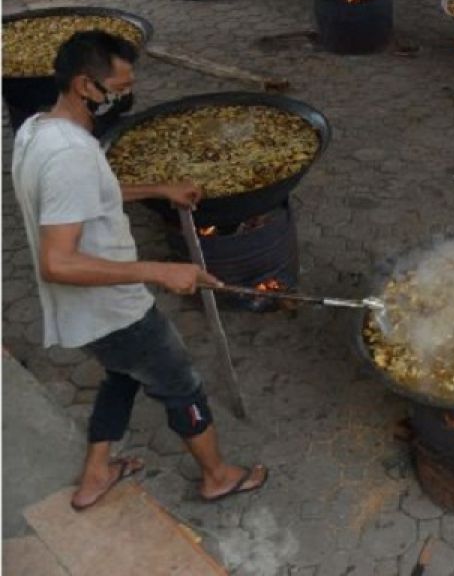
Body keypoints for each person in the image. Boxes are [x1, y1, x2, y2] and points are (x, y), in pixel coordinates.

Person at [11, 31, 269, 511]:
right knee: (181, 383)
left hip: (87, 316)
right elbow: (57, 261)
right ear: (87, 86)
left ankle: (95, 474)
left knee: (122, 375)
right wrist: (159, 270)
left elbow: (91, 193)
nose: (127, 95)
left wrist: (156, 188)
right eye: (121, 86)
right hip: (112, 308)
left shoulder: (38, 131)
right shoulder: (69, 157)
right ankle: (217, 476)